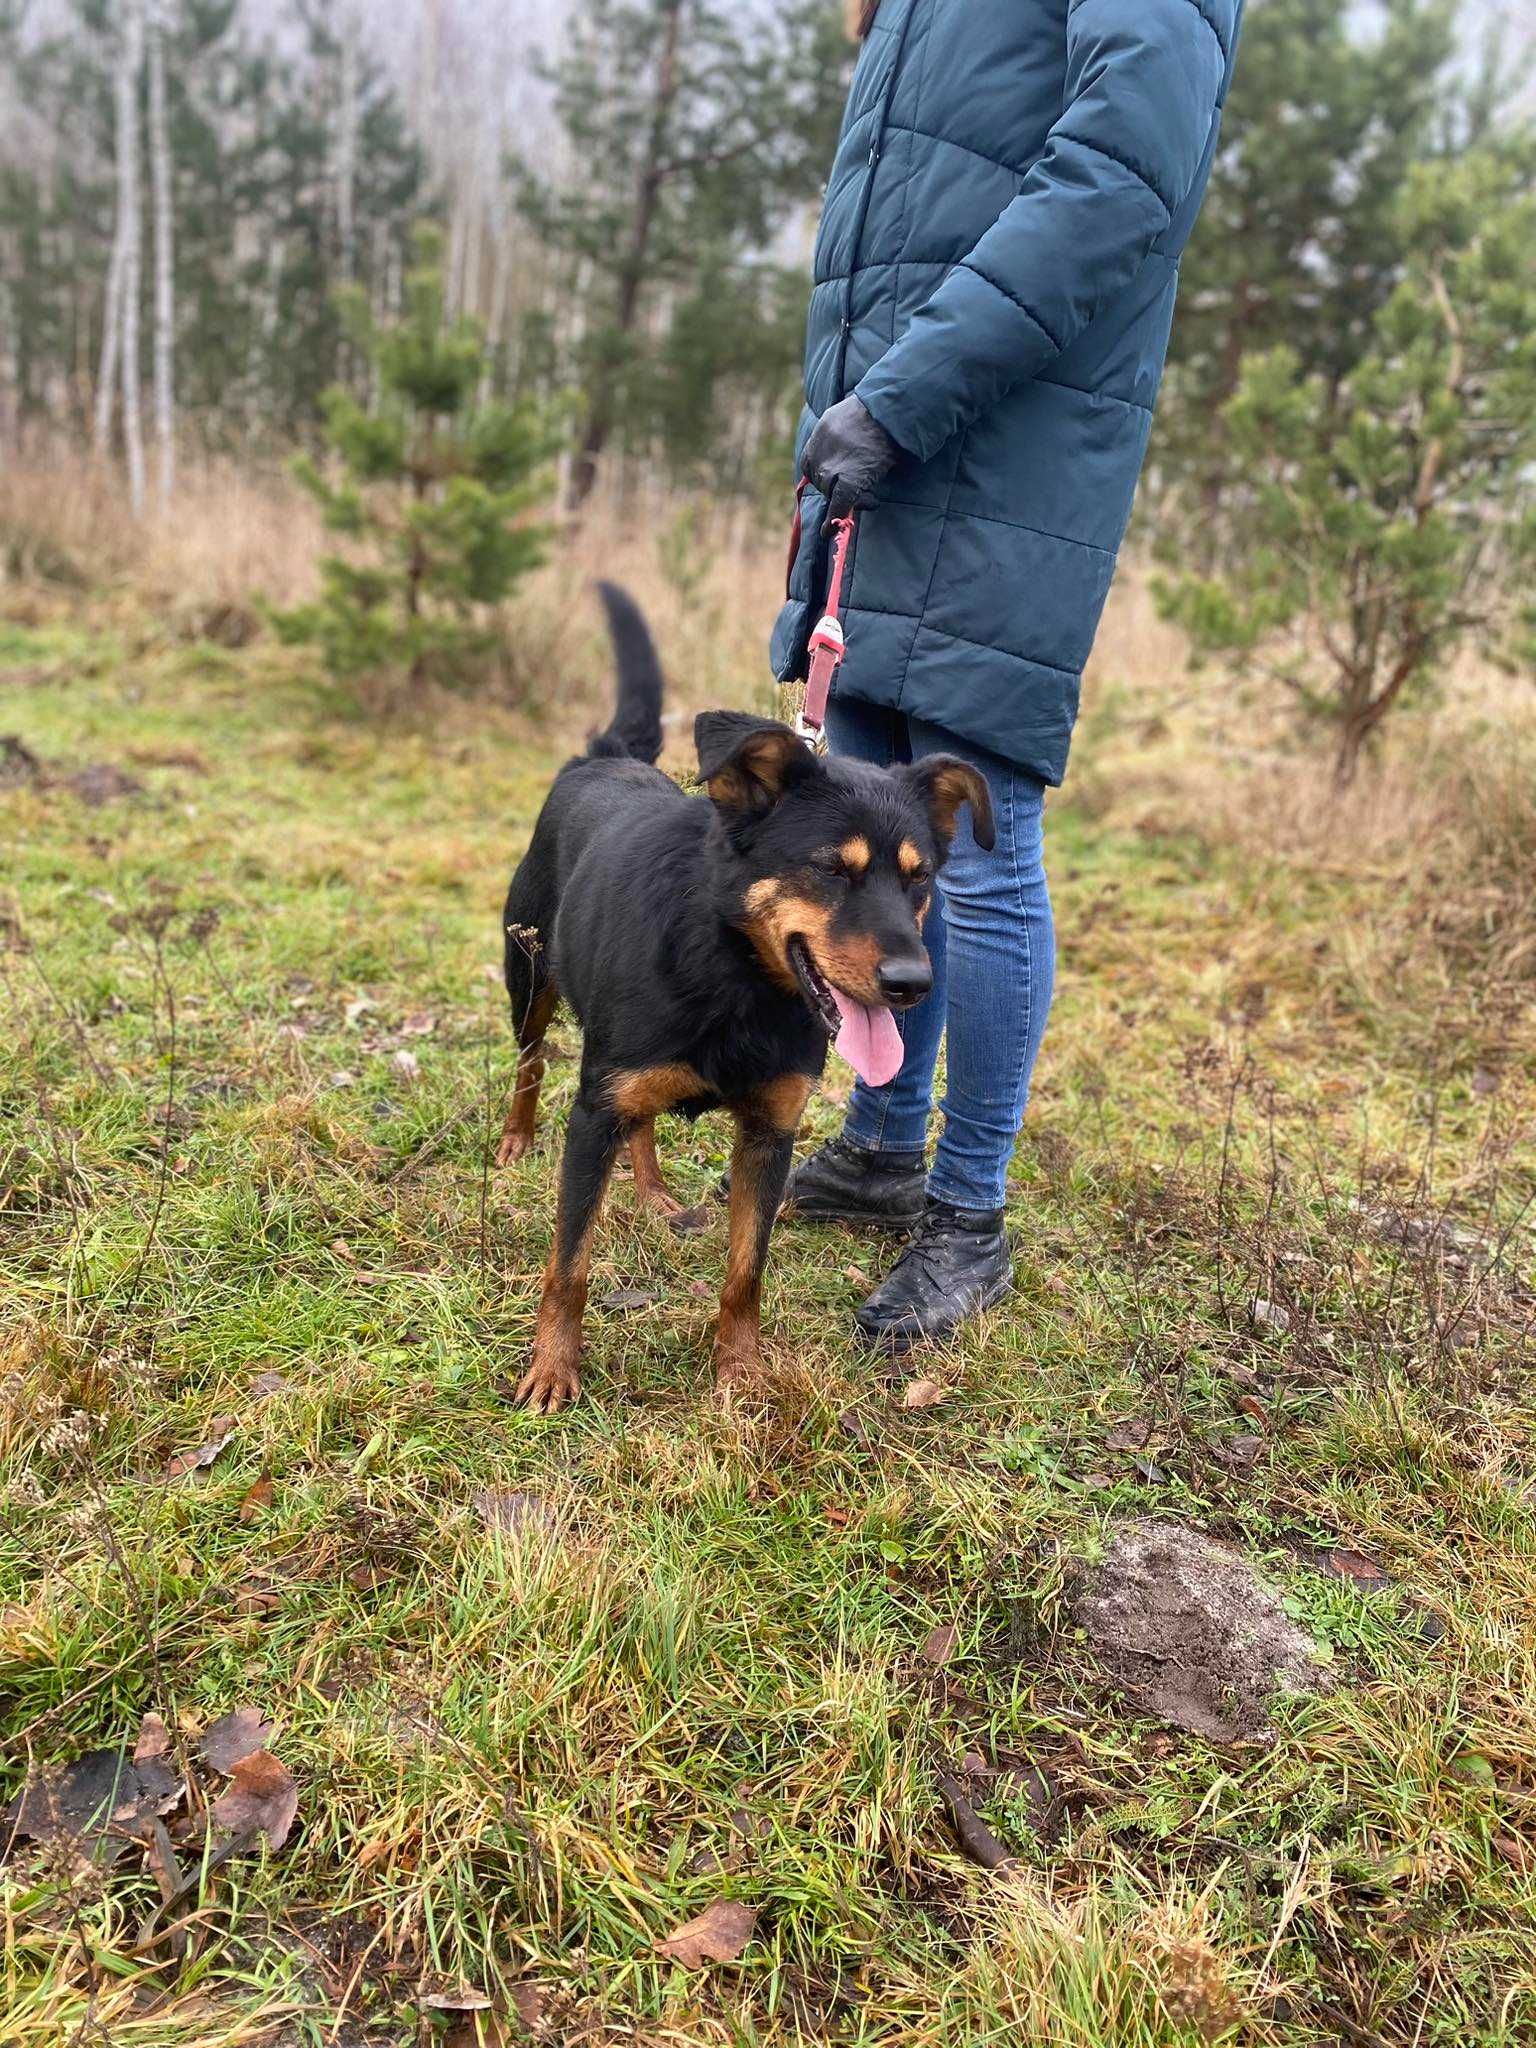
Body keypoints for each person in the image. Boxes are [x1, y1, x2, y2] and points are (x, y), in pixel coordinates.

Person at [772, 0, 1243, 1350]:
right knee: (874, 819)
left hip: (1000, 452)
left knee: (979, 840)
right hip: (906, 446)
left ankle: (967, 1223)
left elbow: (1116, 180)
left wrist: (905, 396)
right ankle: (880, 1149)